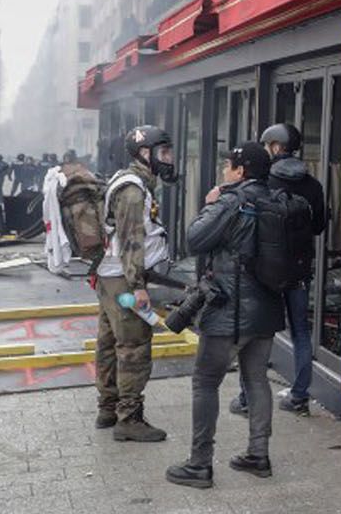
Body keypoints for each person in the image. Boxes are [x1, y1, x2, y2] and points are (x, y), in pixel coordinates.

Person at [167, 142, 284, 489]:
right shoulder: (276, 200)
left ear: (241, 170)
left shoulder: (233, 201)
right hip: (266, 308)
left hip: (229, 311)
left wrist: (211, 203)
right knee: (257, 380)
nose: (223, 170)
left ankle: (200, 463)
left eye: (228, 165)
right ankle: (258, 455)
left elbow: (195, 239)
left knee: (205, 382)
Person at [231, 123, 326, 417]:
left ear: (274, 147)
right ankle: (299, 397)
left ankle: (247, 399)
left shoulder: (264, 181)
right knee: (300, 332)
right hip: (298, 272)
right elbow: (320, 226)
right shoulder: (313, 185)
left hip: (266, 273)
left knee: (258, 334)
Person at [94, 125, 176, 442]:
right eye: (164, 153)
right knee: (133, 346)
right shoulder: (132, 190)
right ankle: (129, 418)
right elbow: (131, 242)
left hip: (111, 278)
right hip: (124, 282)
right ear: (146, 153)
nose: (168, 159)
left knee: (108, 342)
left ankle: (107, 408)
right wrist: (138, 286)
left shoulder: (131, 182)